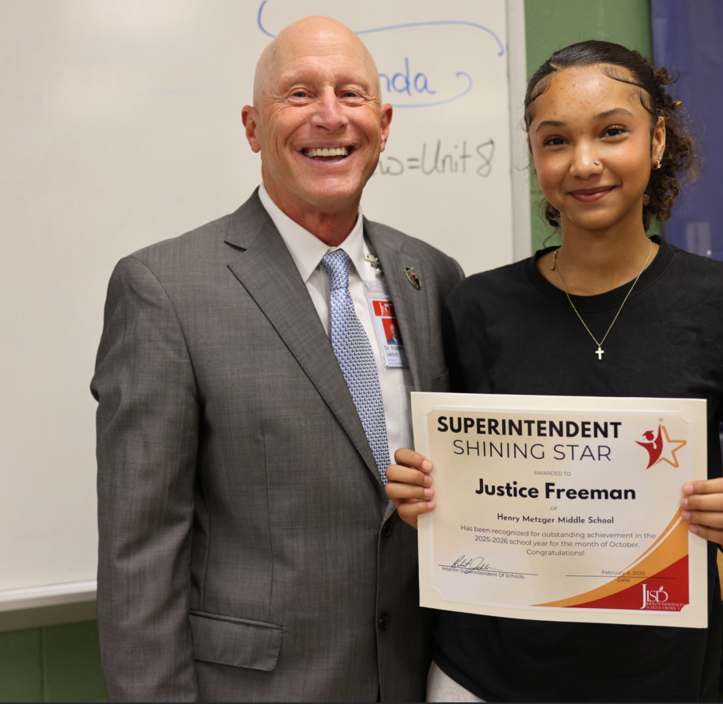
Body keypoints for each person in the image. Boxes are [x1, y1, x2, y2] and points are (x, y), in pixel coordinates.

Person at [385, 40, 723, 702]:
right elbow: (460, 490)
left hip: (658, 675)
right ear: (534, 154)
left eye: (612, 132)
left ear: (658, 138)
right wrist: (428, 502)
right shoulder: (476, 306)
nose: (584, 163)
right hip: (485, 676)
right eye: (555, 141)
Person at [91, 16, 462, 702]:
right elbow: (139, 555)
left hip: (416, 677)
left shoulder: (434, 277)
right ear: (252, 126)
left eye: (350, 95)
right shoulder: (165, 289)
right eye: (298, 94)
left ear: (382, 123)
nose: (330, 116)